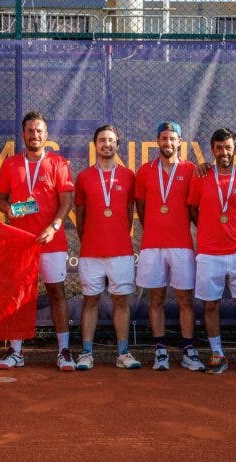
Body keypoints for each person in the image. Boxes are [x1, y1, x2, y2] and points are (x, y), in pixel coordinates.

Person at [0, 110, 75, 371]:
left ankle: (64, 351)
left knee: (56, 293)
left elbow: (66, 201)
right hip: (21, 243)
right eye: (30, 131)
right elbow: (0, 198)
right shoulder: (10, 165)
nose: (35, 135)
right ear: (23, 135)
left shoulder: (59, 163)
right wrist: (8, 210)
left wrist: (54, 226)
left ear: (46, 135)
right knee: (20, 296)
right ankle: (16, 352)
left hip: (51, 241)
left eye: (39, 131)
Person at [188, 128, 236, 375]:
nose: (223, 152)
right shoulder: (201, 175)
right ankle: (217, 352)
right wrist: (210, 229)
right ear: (212, 149)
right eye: (219, 148)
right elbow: (193, 210)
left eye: (228, 147)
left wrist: (232, 227)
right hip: (209, 252)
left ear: (235, 149)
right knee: (210, 305)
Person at [135, 121, 203, 371]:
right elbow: (140, 207)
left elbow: (194, 207)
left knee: (185, 298)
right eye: (163, 138)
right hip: (153, 245)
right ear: (157, 141)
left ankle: (188, 349)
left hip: (181, 244)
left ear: (179, 142)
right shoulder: (144, 171)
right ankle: (160, 350)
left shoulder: (191, 170)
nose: (167, 143)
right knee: (157, 298)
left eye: (172, 139)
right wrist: (153, 228)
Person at [74, 125, 136, 370]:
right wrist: (89, 239)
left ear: (117, 145)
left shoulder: (129, 176)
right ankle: (86, 353)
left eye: (111, 140)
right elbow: (80, 215)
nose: (106, 144)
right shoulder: (84, 177)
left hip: (120, 251)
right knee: (90, 301)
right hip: (91, 252)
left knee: (121, 302)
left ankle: (123, 353)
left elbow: (129, 213)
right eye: (101, 140)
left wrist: (117, 235)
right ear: (95, 145)